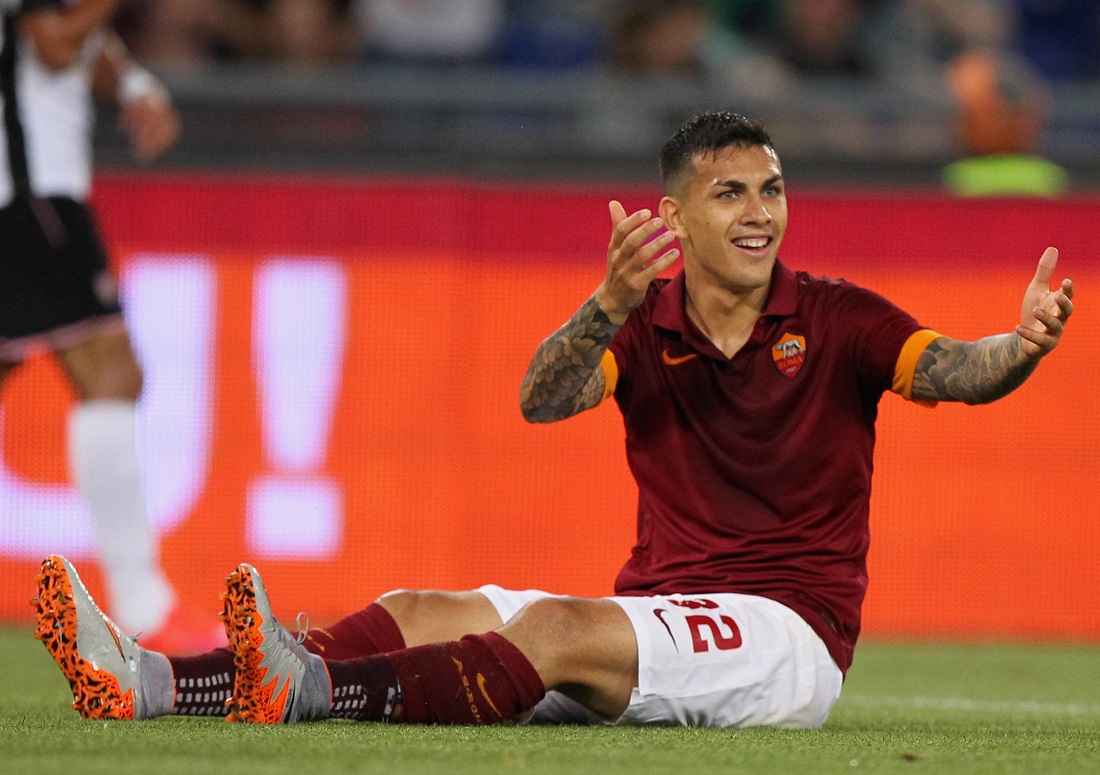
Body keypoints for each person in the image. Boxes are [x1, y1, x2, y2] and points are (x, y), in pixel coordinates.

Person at [33, 111, 1074, 727]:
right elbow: (541, 398)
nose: (760, 211)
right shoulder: (642, 323)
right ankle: (152, 682)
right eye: (730, 193)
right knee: (421, 605)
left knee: (556, 630)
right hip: (661, 616)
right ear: (674, 218)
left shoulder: (837, 317)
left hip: (784, 635)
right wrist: (608, 302)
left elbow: (954, 370)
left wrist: (1020, 346)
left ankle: (311, 691)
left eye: (771, 188)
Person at [2, 0, 224, 653]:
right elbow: (51, 40)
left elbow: (72, 37)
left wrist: (131, 82)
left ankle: (144, 603)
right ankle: (144, 605)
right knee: (112, 370)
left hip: (24, 190)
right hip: (31, 191)